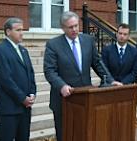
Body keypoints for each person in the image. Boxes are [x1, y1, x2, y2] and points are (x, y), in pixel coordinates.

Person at [43, 11, 122, 141]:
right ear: (63, 28)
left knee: (85, 134)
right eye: (70, 27)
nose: (74, 30)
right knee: (65, 135)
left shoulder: (88, 40)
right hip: (64, 101)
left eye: (76, 26)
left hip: (86, 99)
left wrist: (110, 80)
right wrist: (61, 85)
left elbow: (97, 63)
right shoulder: (53, 45)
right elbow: (49, 71)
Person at [0, 17, 36, 141]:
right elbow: (5, 79)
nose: (21, 33)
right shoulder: (0, 50)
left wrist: (32, 93)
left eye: (22, 30)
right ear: (8, 32)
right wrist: (22, 98)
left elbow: (30, 74)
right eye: (18, 30)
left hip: (25, 108)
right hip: (10, 108)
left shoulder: (23, 50)